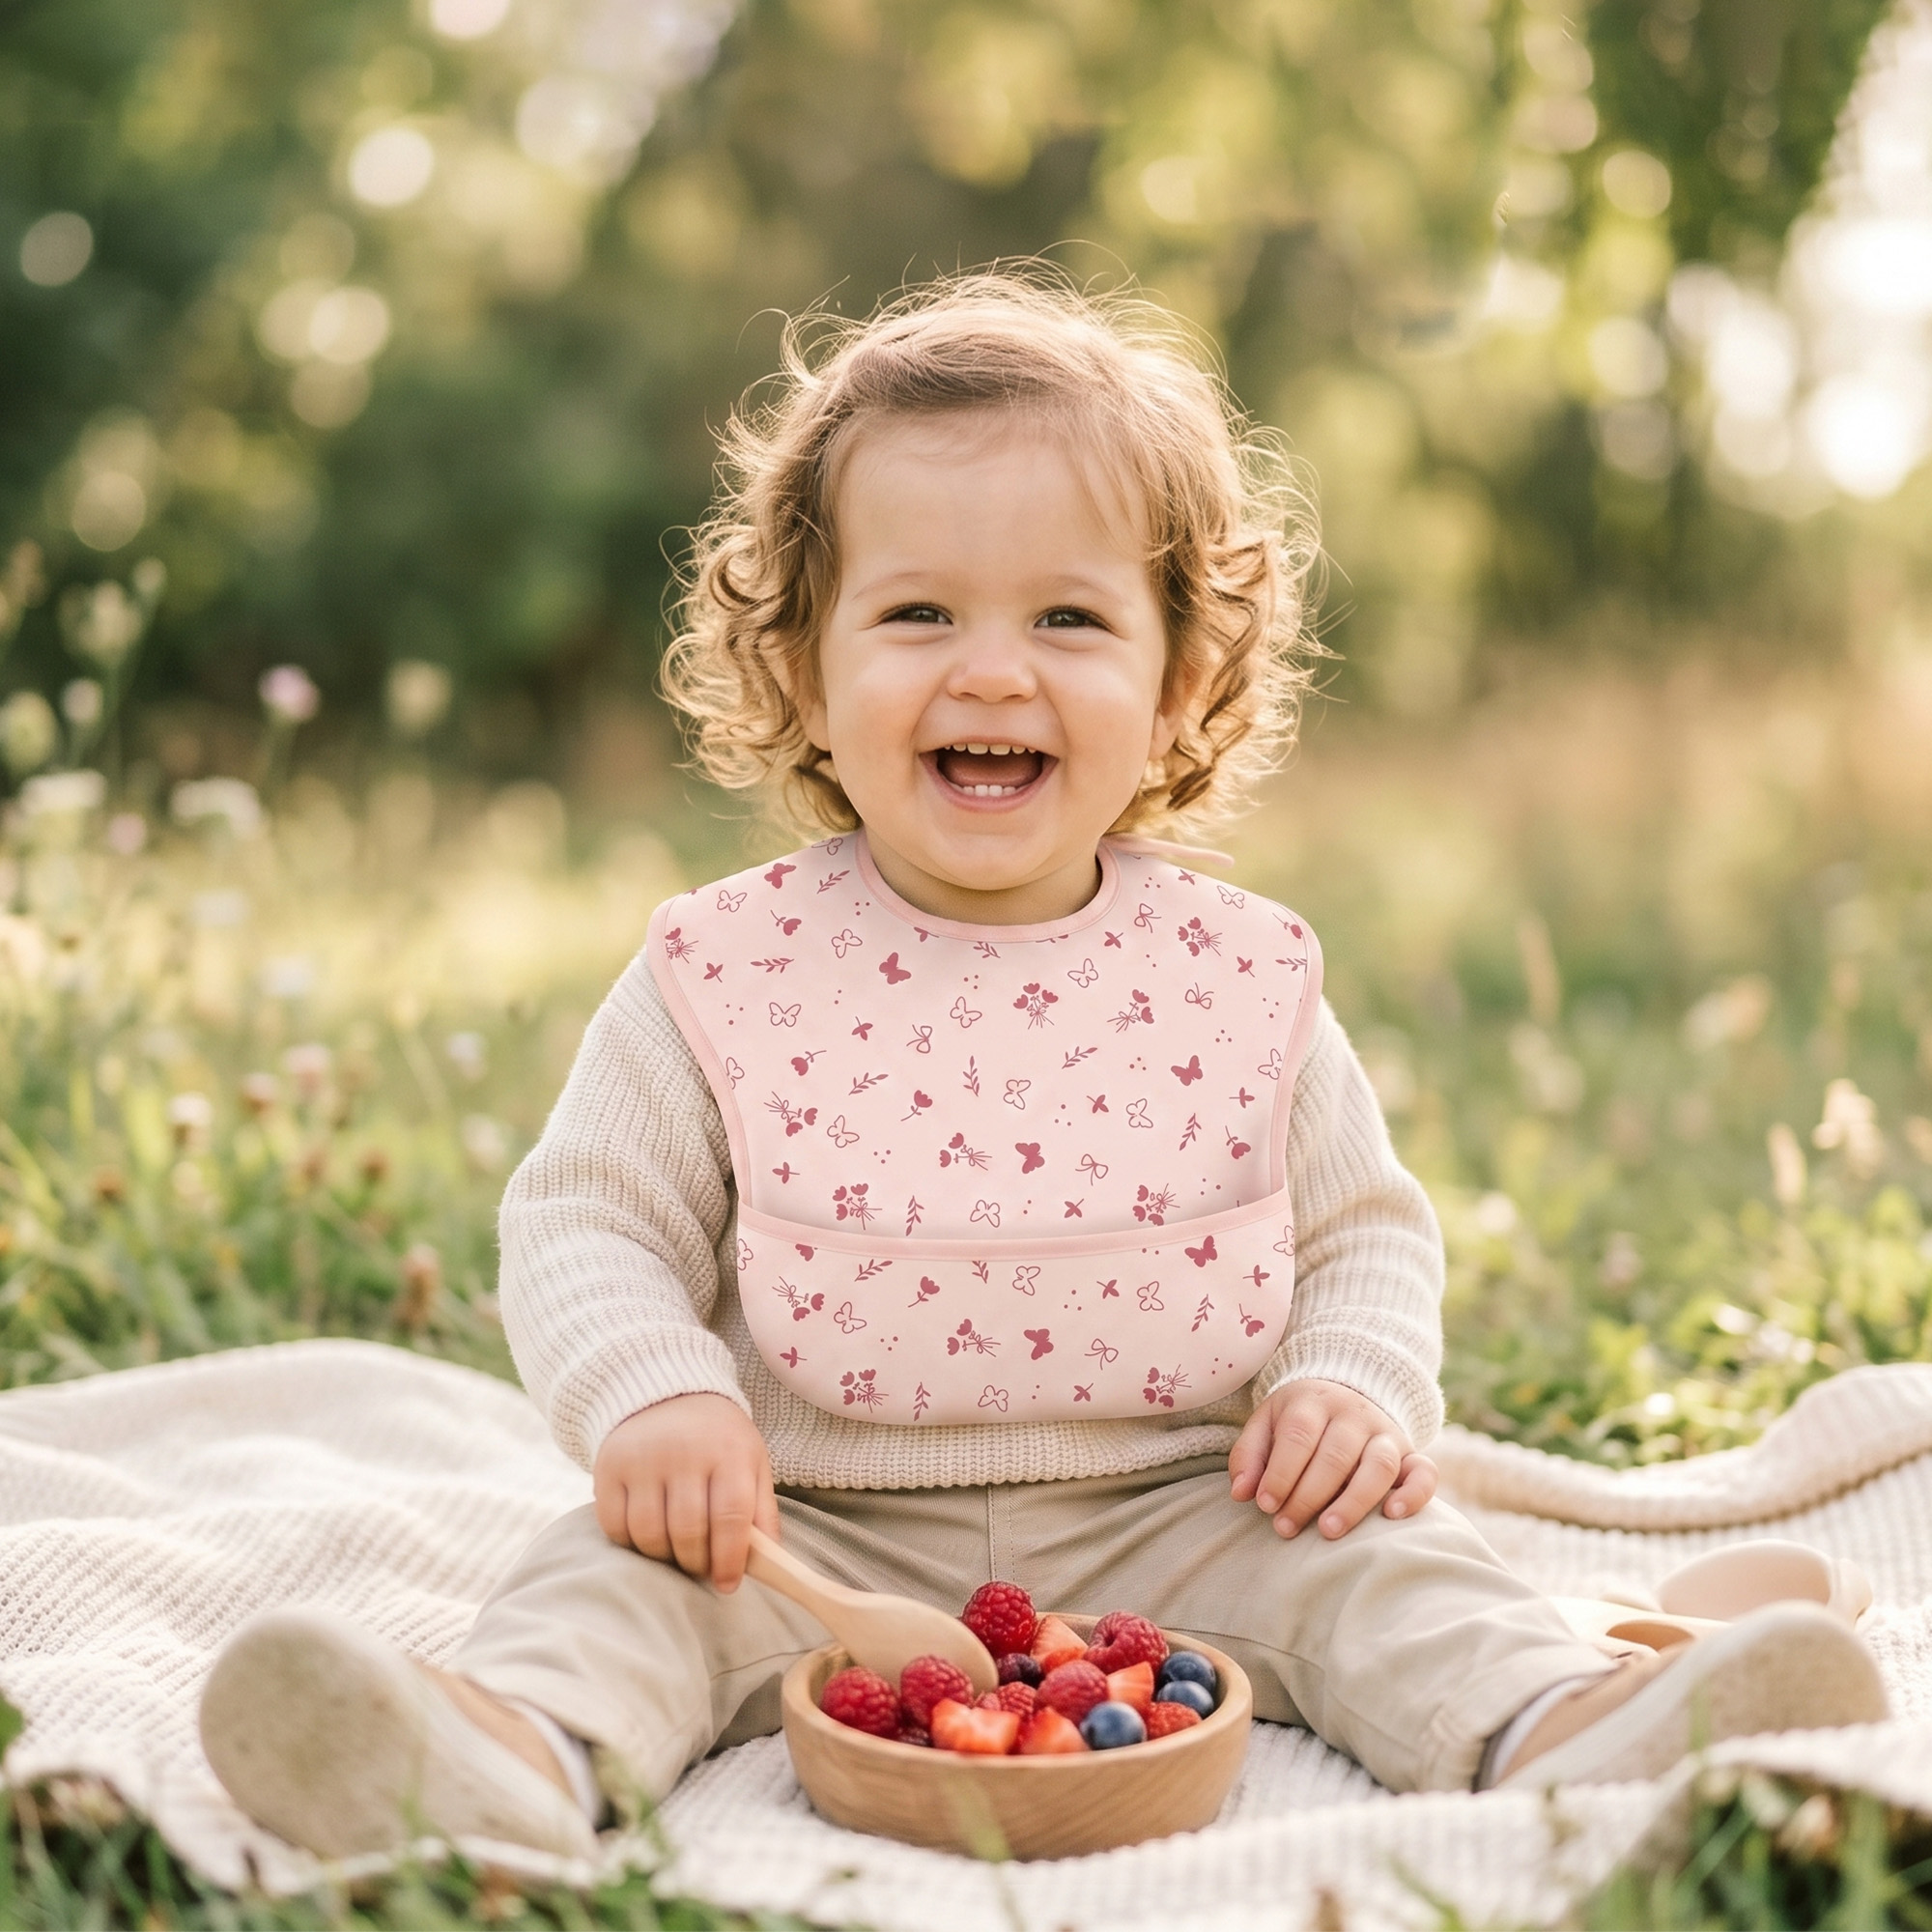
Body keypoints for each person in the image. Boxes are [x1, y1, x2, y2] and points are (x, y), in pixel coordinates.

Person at [199, 271, 1887, 1860]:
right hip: (804, 1525)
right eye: (917, 610)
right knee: (610, 1583)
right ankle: (508, 1753)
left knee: (1393, 1566)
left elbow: (1363, 1232)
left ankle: (1566, 1722)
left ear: (1179, 684)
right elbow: (586, 1218)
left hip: (1191, 1506)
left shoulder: (1235, 979)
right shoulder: (724, 972)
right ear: (803, 668)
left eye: (1071, 617)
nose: (992, 667)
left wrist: (1350, 1391)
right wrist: (656, 1396)